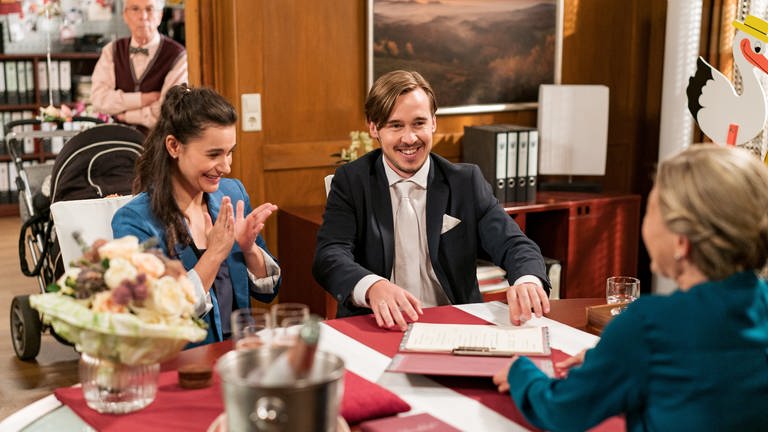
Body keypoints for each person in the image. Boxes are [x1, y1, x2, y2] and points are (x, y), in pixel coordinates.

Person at [493, 144, 768, 431]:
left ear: (681, 242)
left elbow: (561, 411)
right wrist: (612, 359)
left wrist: (521, 372)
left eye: (651, 210)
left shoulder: (648, 324)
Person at [312, 70, 551, 330]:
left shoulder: (465, 181)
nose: (409, 138)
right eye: (395, 125)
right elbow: (329, 255)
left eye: (418, 123)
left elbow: (514, 244)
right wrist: (373, 286)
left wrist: (528, 280)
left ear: (433, 123)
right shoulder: (351, 181)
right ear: (373, 127)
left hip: (455, 324)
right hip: (377, 324)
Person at [112, 85, 281, 346]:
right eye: (214, 154)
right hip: (182, 365)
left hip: (240, 355)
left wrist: (249, 250)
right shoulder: (135, 221)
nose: (226, 166)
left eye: (230, 152)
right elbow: (158, 316)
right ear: (174, 146)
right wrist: (214, 255)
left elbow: (269, 292)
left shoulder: (233, 194)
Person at [91, 0, 187, 134]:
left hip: (159, 147)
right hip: (117, 143)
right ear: (125, 15)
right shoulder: (111, 51)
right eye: (135, 9)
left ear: (160, 15)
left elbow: (169, 112)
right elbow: (98, 100)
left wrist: (125, 116)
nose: (143, 16)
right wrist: (143, 99)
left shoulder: (178, 56)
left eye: (149, 9)